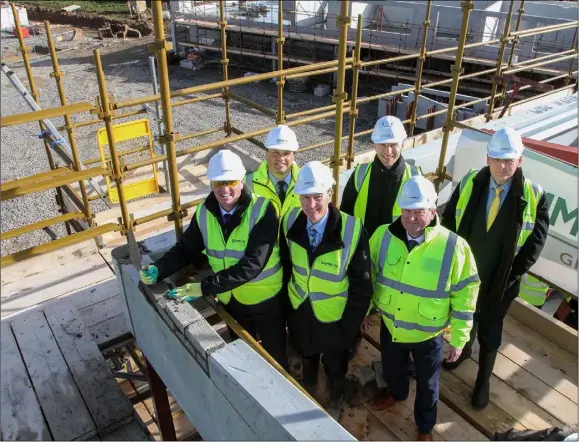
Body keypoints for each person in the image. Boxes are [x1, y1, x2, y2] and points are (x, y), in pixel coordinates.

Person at [139, 149, 289, 370]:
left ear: (241, 181)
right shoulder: (204, 211)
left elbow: (251, 266)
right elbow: (186, 249)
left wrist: (204, 288)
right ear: (211, 184)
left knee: (275, 357)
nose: (224, 189)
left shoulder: (263, 211)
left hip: (265, 302)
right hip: (231, 302)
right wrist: (159, 269)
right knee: (244, 354)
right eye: (218, 183)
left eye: (230, 181)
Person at [441, 127, 550, 409]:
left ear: (520, 160)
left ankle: (483, 380)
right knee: (465, 314)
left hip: (501, 280)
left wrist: (510, 276)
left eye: (509, 160)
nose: (503, 167)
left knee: (491, 328)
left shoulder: (534, 195)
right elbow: (451, 220)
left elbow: (534, 244)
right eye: (498, 159)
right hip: (466, 273)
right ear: (488, 157)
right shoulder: (470, 182)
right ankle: (464, 350)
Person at [367, 175, 479, 441]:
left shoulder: (454, 246)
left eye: (419, 211)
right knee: (392, 369)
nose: (412, 217)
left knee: (429, 386)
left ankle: (425, 427)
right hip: (392, 327)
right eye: (407, 210)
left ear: (433, 210)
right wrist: (366, 311)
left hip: (429, 335)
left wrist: (459, 338)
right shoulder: (382, 236)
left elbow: (466, 294)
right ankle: (397, 393)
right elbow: (369, 276)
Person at [280, 161, 372, 420]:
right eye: (305, 197)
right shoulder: (289, 222)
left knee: (334, 365)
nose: (311, 205)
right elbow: (287, 267)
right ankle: (309, 384)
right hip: (301, 312)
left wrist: (348, 328)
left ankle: (336, 393)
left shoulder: (352, 230)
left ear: (330, 194)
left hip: (335, 318)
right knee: (306, 353)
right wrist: (289, 310)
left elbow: (362, 286)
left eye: (317, 197)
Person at [341, 115, 421, 363]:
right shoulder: (360, 175)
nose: (388, 151)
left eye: (393, 144)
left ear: (402, 144)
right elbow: (345, 215)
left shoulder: (415, 177)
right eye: (383, 145)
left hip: (398, 254)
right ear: (374, 145)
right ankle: (354, 335)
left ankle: (395, 351)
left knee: (393, 300)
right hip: (363, 249)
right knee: (357, 292)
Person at [245, 125, 301, 219]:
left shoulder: (306, 183)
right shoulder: (247, 184)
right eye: (275, 152)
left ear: (293, 155)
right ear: (266, 153)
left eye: (286, 153)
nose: (281, 158)